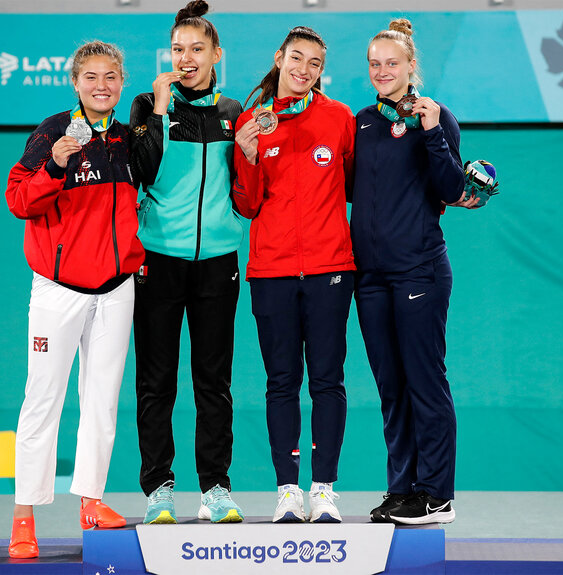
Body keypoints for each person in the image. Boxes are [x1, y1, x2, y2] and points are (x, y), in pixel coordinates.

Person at [4, 40, 144, 558]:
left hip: (115, 290)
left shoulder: (129, 140)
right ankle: (24, 515)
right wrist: (56, 166)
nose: (101, 85)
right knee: (43, 402)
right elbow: (19, 199)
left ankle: (91, 499)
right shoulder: (52, 131)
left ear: (121, 81)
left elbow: (145, 203)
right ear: (75, 81)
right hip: (58, 291)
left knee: (102, 401)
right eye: (91, 76)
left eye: (110, 76)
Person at [232, 25, 356, 524]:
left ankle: (323, 489)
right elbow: (247, 205)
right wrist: (247, 154)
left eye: (315, 64)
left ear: (321, 72)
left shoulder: (340, 118)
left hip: (330, 269)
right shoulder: (252, 122)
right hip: (271, 271)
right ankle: (288, 490)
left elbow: (361, 188)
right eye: (297, 59)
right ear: (279, 58)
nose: (304, 70)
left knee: (328, 381)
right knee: (281, 381)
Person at [128, 0, 244, 524]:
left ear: (216, 53)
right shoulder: (146, 106)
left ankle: (215, 488)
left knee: (213, 383)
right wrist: (158, 108)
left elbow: (246, 189)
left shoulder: (233, 112)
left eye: (197, 49)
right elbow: (142, 171)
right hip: (158, 261)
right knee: (156, 382)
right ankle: (158, 490)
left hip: (218, 262)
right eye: (178, 50)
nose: (187, 58)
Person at [351, 18, 470, 526]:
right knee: (391, 387)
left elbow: (450, 190)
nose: (382, 71)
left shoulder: (437, 117)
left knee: (425, 382)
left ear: (410, 66)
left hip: (419, 270)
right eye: (375, 65)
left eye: (391, 64)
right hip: (370, 276)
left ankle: (437, 495)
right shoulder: (362, 120)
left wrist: (431, 134)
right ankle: (403, 490)